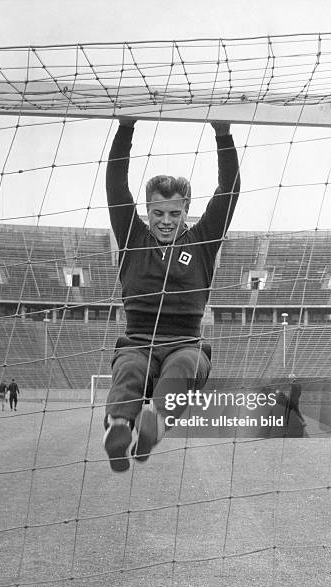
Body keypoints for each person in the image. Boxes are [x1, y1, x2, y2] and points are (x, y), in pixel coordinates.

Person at [103, 118, 240, 471]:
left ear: (186, 212)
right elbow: (117, 186)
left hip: (186, 342)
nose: (166, 220)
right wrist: (126, 128)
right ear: (146, 211)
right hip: (137, 341)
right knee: (130, 369)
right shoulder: (133, 238)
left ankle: (155, 423)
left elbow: (230, 190)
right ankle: (119, 428)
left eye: (175, 213)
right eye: (158, 212)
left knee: (185, 366)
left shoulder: (203, 241)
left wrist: (222, 135)